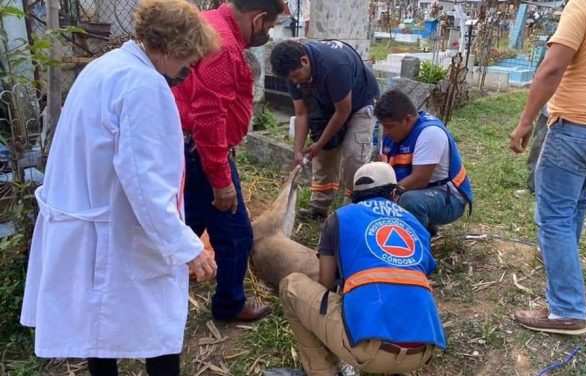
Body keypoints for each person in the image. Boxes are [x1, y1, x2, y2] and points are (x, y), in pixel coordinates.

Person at [20, 1, 219, 375]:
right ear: (174, 47)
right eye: (188, 60)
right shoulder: (144, 86)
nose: (187, 70)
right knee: (157, 328)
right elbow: (147, 185)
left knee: (101, 331)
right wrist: (187, 248)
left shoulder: (106, 67)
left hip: (99, 222)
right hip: (117, 232)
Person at [510, 0, 586, 335]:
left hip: (578, 128)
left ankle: (566, 310)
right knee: (576, 198)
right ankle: (560, 262)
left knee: (554, 217)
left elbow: (551, 68)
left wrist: (525, 122)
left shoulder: (585, 4)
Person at [172, 0, 284, 322]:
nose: (267, 33)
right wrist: (221, 182)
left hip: (189, 147)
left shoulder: (210, 24)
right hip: (205, 153)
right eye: (270, 27)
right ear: (258, 18)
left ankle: (162, 285)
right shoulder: (222, 45)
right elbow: (209, 121)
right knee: (236, 235)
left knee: (189, 222)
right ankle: (229, 305)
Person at [279, 162, 445, 376]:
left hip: (371, 352)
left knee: (291, 286)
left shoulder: (339, 217)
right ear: (395, 194)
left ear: (355, 195)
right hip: (423, 351)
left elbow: (326, 284)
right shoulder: (416, 225)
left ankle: (322, 371)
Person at [270, 40, 380, 220]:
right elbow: (301, 112)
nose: (295, 81)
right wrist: (298, 151)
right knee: (323, 154)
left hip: (360, 102)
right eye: (291, 79)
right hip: (327, 102)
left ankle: (352, 209)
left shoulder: (334, 66)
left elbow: (343, 111)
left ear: (305, 61)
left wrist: (319, 144)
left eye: (296, 76)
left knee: (354, 153)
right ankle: (319, 207)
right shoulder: (292, 73)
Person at [375, 89, 473, 236]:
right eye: (383, 126)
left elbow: (419, 180)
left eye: (389, 126)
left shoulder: (430, 133)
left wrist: (384, 198)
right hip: (419, 191)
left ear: (408, 119)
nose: (386, 132)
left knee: (409, 202)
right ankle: (424, 227)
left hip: (449, 198)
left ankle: (416, 249)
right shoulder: (392, 133)